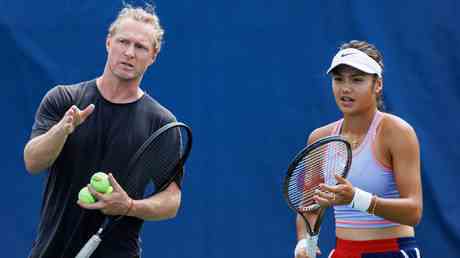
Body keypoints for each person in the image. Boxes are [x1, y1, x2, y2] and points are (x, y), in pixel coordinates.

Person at [24, 5, 183, 258]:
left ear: (153, 55)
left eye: (140, 47)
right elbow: (33, 162)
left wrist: (129, 206)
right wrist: (61, 131)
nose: (129, 52)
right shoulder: (64, 99)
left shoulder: (161, 123)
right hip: (51, 249)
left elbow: (171, 200)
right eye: (123, 42)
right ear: (109, 43)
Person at [294, 40, 423, 258]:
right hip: (343, 252)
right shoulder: (320, 138)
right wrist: (304, 242)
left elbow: (414, 211)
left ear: (378, 85)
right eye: (338, 79)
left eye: (357, 79)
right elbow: (309, 208)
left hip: (392, 251)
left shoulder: (397, 132)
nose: (345, 88)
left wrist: (356, 198)